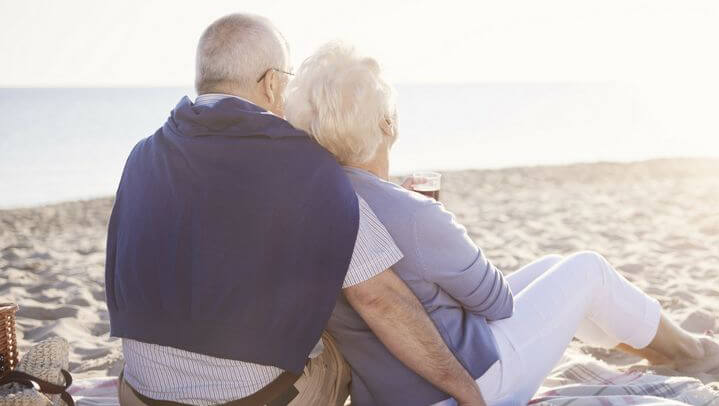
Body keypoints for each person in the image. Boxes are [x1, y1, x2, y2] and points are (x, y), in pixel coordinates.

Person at [283, 41, 719, 406]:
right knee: (587, 270)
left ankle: (659, 344)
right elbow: (496, 302)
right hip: (467, 383)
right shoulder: (413, 214)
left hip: (388, 388)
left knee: (554, 265)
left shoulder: (316, 200)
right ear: (387, 123)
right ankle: (689, 351)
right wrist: (433, 228)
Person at [105, 14, 484, 406]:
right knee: (345, 335)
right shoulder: (305, 166)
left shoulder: (142, 155)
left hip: (139, 395)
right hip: (249, 401)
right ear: (272, 83)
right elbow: (380, 300)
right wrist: (465, 389)